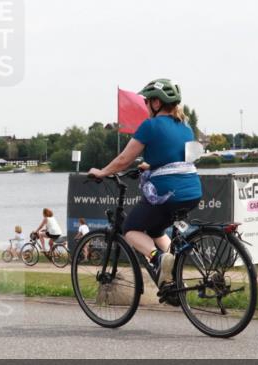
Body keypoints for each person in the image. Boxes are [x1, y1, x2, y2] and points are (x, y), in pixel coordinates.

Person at [86, 79, 202, 286]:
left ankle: (158, 259)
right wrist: (150, 166)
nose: (146, 106)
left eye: (147, 101)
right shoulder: (186, 127)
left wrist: (102, 172)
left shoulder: (150, 126)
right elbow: (179, 159)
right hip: (192, 191)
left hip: (167, 193)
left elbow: (124, 160)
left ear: (156, 103)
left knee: (130, 229)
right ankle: (174, 281)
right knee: (156, 230)